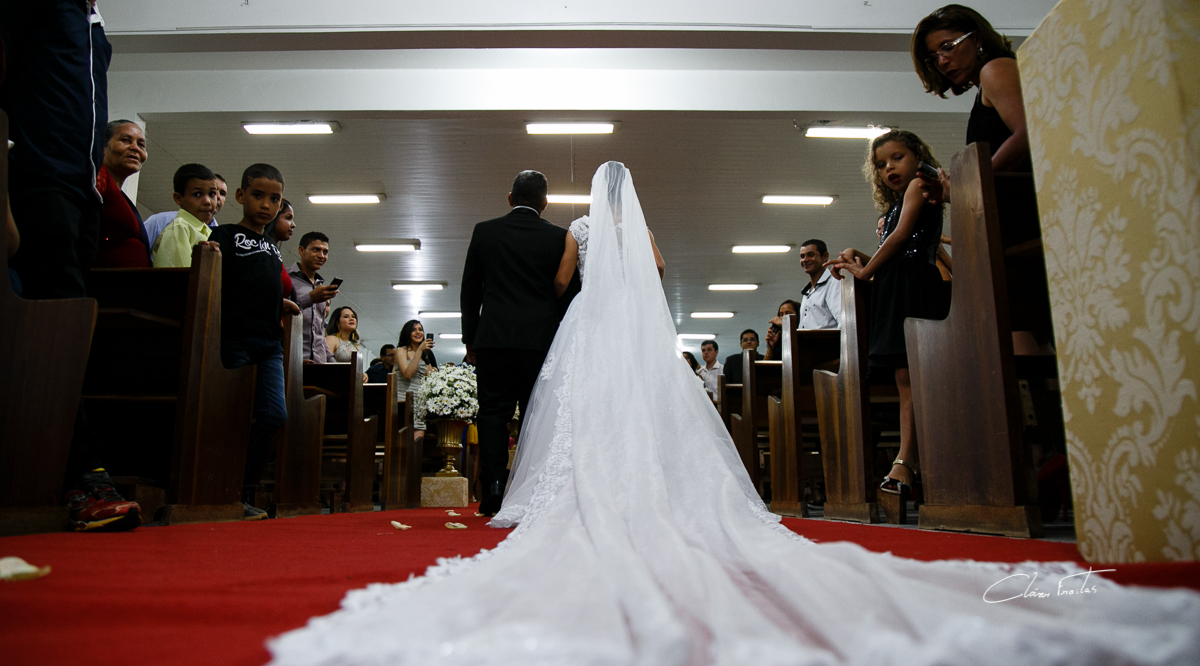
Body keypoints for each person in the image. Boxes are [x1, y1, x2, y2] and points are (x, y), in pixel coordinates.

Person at [271, 161, 1200, 666]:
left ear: (581, 203)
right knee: (643, 408)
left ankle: (567, 488)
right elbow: (664, 275)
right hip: (634, 329)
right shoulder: (633, 230)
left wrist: (578, 300)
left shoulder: (582, 233)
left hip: (589, 325)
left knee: (577, 415)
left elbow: (563, 286)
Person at [1, 0, 142, 531]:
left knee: (66, 335)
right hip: (32, 180)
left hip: (77, 192)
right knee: (53, 329)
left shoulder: (97, 32)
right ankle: (85, 481)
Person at [828, 130, 951, 502]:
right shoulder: (896, 203)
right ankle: (909, 460)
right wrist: (860, 256)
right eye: (881, 165)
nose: (888, 168)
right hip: (898, 283)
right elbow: (893, 249)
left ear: (917, 155)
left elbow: (901, 241)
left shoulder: (919, 184)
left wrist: (865, 271)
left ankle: (907, 462)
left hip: (914, 284)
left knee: (911, 377)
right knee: (904, 377)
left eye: (896, 157)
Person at [460, 170, 574, 516]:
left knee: (492, 413)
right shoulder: (559, 237)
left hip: (493, 339)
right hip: (540, 342)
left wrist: (471, 340)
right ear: (545, 203)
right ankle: (527, 489)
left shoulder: (485, 231)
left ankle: (493, 488)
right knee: (535, 415)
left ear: (510, 199)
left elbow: (470, 290)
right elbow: (567, 290)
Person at [206, 163, 300, 520]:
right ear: (241, 196)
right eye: (258, 196)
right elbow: (220, 284)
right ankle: (220, 490)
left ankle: (242, 490)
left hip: (269, 343)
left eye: (274, 199)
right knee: (229, 415)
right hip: (235, 337)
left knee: (274, 414)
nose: (266, 205)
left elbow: (262, 286)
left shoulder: (272, 248)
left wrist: (281, 302)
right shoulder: (225, 235)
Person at [911, 4, 1031, 202]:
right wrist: (953, 191)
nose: (941, 62)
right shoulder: (982, 89)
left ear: (976, 38)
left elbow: (1027, 134)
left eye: (947, 47)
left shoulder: (994, 68)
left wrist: (967, 184)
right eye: (934, 57)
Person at [93, 119, 150, 267]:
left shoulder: (119, 195)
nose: (135, 148)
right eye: (125, 140)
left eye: (141, 145)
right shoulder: (99, 176)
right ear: (103, 147)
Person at [151, 163, 218, 268]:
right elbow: (182, 278)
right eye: (197, 194)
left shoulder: (210, 232)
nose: (207, 201)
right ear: (178, 198)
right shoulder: (179, 228)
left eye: (212, 194)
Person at [288, 231, 338, 363]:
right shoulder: (286, 279)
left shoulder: (320, 286)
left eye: (325, 252)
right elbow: (279, 314)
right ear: (301, 250)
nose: (321, 256)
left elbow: (319, 333)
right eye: (316, 250)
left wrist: (333, 363)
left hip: (318, 363)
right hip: (292, 361)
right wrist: (310, 298)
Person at [143, 171, 226, 246]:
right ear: (178, 198)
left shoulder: (220, 236)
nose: (217, 197)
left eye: (222, 193)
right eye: (213, 193)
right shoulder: (160, 221)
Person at [394, 320, 438, 439]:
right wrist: (419, 351)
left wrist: (433, 371)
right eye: (414, 330)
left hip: (419, 401)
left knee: (417, 442)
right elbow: (408, 374)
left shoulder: (424, 354)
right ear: (407, 333)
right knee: (404, 441)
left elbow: (430, 378)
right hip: (404, 399)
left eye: (420, 329)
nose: (418, 332)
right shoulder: (401, 351)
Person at [796, 239, 842, 330]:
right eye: (802, 256)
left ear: (825, 256)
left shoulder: (834, 283)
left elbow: (843, 321)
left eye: (811, 255)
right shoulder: (808, 291)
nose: (805, 260)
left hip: (828, 343)